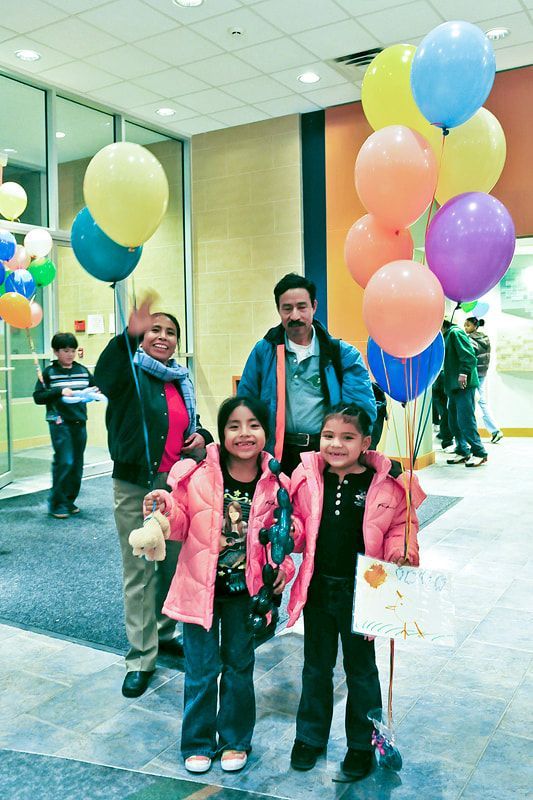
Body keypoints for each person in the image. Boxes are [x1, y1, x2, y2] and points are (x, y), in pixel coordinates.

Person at [142, 397, 294, 774]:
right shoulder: (198, 476)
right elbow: (179, 524)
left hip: (246, 595)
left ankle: (235, 739)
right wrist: (162, 508)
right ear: (221, 432)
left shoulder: (278, 483)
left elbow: (291, 535)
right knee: (201, 669)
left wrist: (284, 568)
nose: (244, 433)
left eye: (253, 425)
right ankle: (196, 741)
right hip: (200, 590)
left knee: (240, 667)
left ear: (266, 431)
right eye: (234, 426)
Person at [286, 404, 424, 780]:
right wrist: (289, 534)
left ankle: (362, 744)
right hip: (318, 588)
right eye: (328, 436)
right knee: (316, 666)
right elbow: (297, 525)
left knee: (361, 670)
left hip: (363, 592)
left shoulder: (385, 484)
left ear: (365, 442)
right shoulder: (309, 478)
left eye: (347, 437)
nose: (335, 444)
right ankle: (309, 738)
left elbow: (401, 525)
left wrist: (403, 551)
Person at [94, 296, 212, 699]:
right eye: (155, 330)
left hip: (174, 487)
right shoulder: (128, 374)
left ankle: (163, 634)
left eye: (170, 332)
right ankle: (141, 658)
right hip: (134, 486)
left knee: (170, 567)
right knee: (140, 571)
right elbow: (103, 376)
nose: (163, 337)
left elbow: (189, 428)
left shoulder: (179, 380)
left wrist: (202, 439)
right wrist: (126, 336)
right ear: (143, 336)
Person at [237, 273, 376, 477]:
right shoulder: (264, 351)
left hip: (326, 454)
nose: (295, 316)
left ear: (314, 307)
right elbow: (245, 403)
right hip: (277, 455)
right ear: (279, 310)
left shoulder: (343, 355)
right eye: (287, 308)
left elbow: (362, 413)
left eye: (302, 307)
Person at [33, 332, 97, 519]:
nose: (70, 354)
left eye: (73, 350)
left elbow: (95, 387)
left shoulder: (83, 371)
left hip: (80, 422)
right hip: (59, 423)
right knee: (65, 461)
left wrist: (93, 392)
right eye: (65, 350)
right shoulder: (49, 373)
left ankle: (69, 500)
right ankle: (56, 503)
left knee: (77, 464)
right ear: (55, 352)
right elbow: (38, 397)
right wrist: (60, 392)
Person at [442, 318, 488, 467]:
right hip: (453, 385)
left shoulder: (455, 333)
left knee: (465, 419)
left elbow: (468, 356)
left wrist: (463, 373)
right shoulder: (446, 336)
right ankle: (462, 450)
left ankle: (479, 452)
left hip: (463, 384)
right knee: (453, 421)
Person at [464, 317, 503, 444]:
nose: (465, 328)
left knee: (471, 403)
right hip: (483, 373)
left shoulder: (470, 339)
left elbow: (470, 358)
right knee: (481, 401)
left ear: (475, 326)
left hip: (474, 375)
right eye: (465, 325)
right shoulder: (485, 338)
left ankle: (491, 431)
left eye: (468, 325)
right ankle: (495, 430)